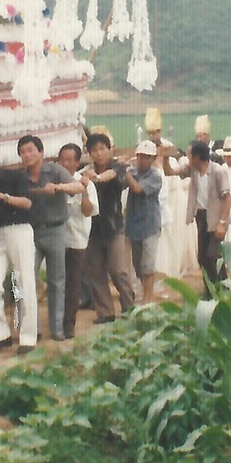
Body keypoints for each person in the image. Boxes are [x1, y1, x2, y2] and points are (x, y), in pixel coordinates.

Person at [18, 135, 83, 341]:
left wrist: (59, 187)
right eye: (23, 152)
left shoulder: (55, 171)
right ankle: (31, 330)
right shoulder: (21, 177)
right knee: (26, 279)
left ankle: (57, 329)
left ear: (40, 152)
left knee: (57, 281)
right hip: (31, 232)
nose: (27, 155)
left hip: (56, 230)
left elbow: (78, 187)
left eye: (30, 150)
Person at [0, 141, 37, 354]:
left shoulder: (14, 176)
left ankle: (28, 337)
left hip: (18, 229)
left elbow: (28, 203)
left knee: (24, 282)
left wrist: (3, 197)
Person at [83, 133, 139, 322]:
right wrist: (89, 176)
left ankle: (129, 307)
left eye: (102, 149)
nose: (99, 153)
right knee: (96, 272)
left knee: (118, 271)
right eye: (94, 150)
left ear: (109, 150)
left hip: (114, 227)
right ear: (89, 153)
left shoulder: (118, 166)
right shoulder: (87, 171)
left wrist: (96, 178)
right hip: (93, 229)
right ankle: (105, 312)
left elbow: (113, 176)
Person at [167, 140, 231, 295]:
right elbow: (170, 172)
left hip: (215, 217)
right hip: (201, 216)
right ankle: (211, 288)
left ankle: (221, 287)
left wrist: (222, 223)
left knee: (213, 255)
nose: (188, 158)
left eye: (190, 155)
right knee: (202, 256)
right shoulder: (193, 170)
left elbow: (227, 198)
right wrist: (164, 158)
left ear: (197, 157)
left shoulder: (217, 171)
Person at [57, 143, 98, 332]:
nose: (64, 163)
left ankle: (68, 323)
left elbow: (88, 211)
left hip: (77, 240)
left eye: (69, 160)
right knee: (57, 282)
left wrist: (83, 192)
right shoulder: (53, 180)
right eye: (62, 159)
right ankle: (56, 320)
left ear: (77, 162)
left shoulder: (85, 183)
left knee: (73, 283)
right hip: (57, 239)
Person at [125, 140, 164, 301]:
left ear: (153, 158)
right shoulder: (134, 172)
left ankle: (148, 297)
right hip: (134, 224)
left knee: (147, 264)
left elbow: (137, 188)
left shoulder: (155, 177)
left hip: (149, 225)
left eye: (146, 157)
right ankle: (145, 293)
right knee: (138, 264)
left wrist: (124, 171)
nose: (143, 160)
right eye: (140, 156)